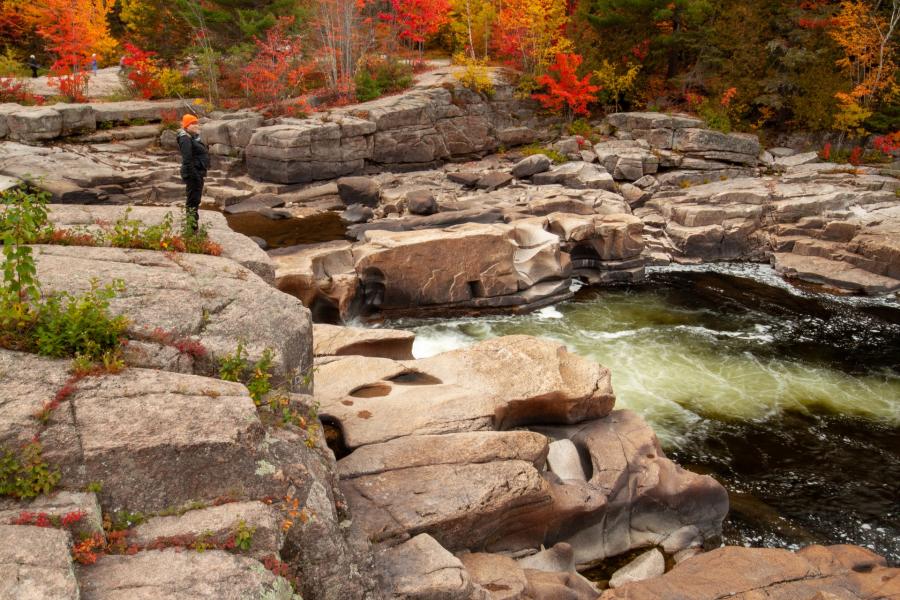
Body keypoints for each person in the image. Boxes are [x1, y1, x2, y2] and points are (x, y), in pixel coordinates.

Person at [177, 114, 209, 232]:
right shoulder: (185, 139)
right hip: (193, 173)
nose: (196, 125)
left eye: (196, 123)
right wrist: (195, 175)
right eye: (192, 123)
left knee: (195, 200)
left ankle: (193, 226)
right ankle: (191, 228)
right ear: (187, 126)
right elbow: (187, 160)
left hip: (197, 172)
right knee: (193, 200)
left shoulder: (193, 137)